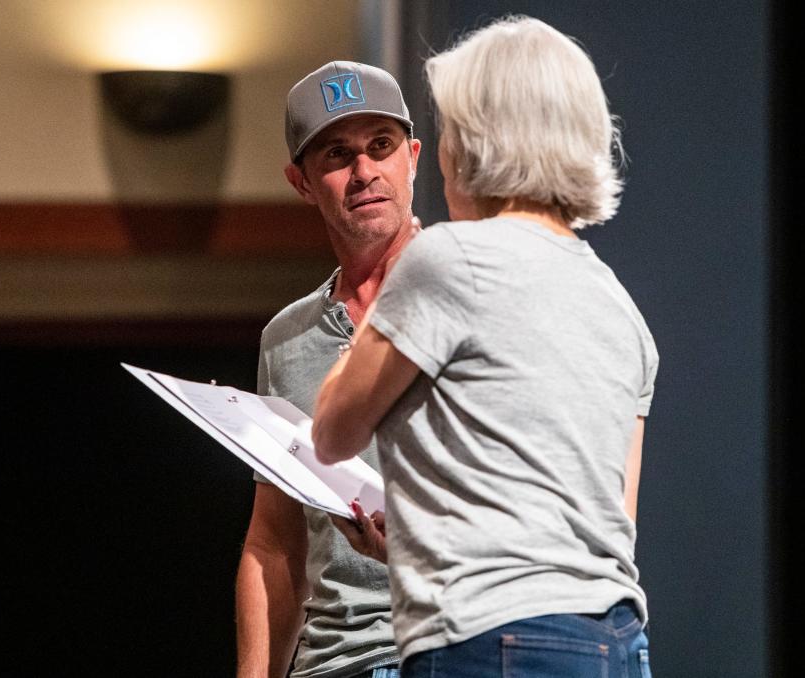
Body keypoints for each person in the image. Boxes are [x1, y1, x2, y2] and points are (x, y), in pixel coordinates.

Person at [312, 17, 658, 678]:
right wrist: (415, 542)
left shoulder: (448, 259)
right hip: (615, 644)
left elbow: (332, 432)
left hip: (491, 642)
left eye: (447, 133)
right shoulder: (620, 308)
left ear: (478, 142)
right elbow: (602, 523)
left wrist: (381, 294)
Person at [235, 61, 421, 678]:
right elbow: (275, 541)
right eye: (338, 154)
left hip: (448, 649)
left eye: (381, 146)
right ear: (302, 181)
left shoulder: (471, 291)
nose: (364, 172)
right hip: (332, 664)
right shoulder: (286, 339)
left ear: (413, 157)